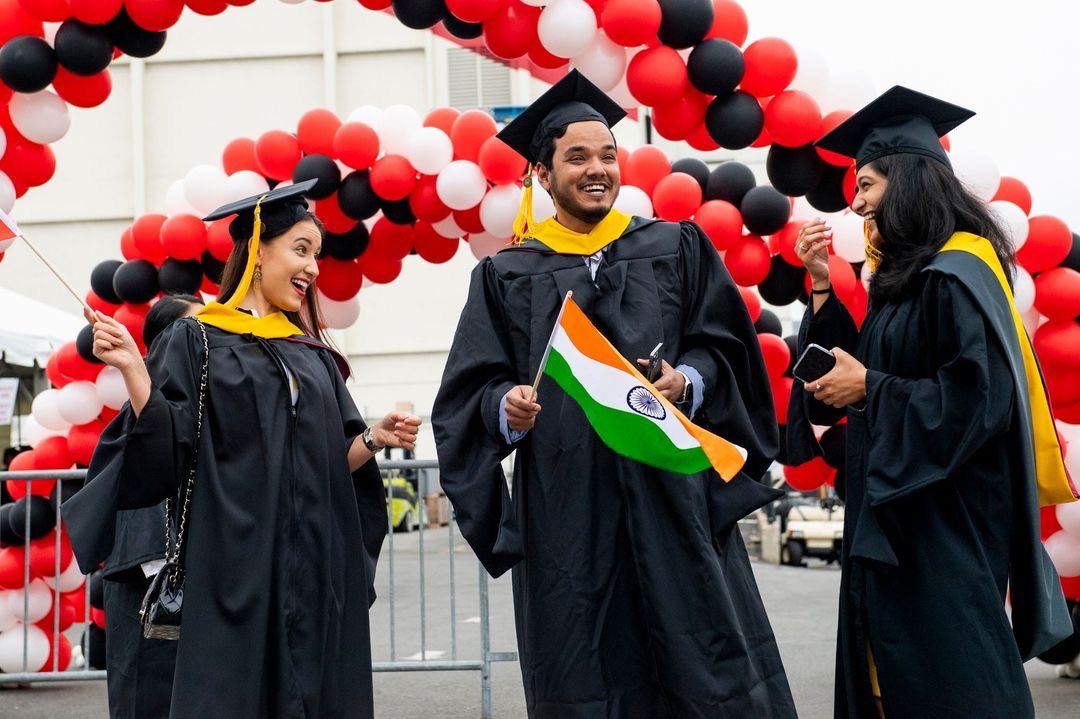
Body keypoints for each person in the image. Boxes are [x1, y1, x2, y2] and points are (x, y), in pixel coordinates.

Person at [433, 71, 796, 717]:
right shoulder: (507, 274)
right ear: (542, 175)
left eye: (607, 154)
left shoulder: (674, 246)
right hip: (570, 513)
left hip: (674, 497)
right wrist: (505, 408)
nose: (598, 168)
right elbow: (470, 392)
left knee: (704, 667)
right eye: (577, 157)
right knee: (587, 671)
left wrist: (687, 379)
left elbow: (725, 349)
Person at [63, 179, 422, 719]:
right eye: (301, 251)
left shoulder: (313, 356)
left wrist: (373, 438)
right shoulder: (198, 340)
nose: (315, 269)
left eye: (318, 255)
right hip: (236, 574)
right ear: (256, 251)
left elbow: (328, 466)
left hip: (314, 574)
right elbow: (170, 448)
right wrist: (137, 370)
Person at [786, 86, 1078, 718]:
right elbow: (861, 369)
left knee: (957, 685)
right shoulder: (907, 281)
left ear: (911, 181)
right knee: (893, 681)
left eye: (865, 185)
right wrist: (818, 288)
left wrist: (871, 389)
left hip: (945, 527)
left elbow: (981, 400)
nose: (856, 203)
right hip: (894, 516)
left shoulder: (959, 271)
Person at [96, 293, 201, 719]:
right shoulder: (143, 410)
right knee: (150, 699)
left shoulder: (200, 404)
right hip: (151, 584)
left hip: (196, 585)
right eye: (197, 329)